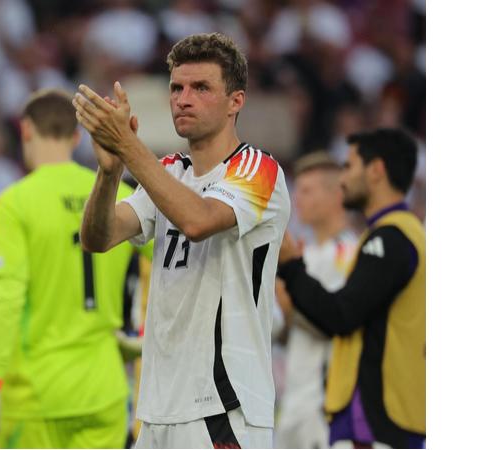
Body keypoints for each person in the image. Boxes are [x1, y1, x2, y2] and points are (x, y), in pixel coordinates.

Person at [74, 32, 291, 449]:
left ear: (236, 101)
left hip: (223, 406)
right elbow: (98, 237)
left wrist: (128, 145)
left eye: (201, 88)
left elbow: (198, 220)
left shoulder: (257, 169)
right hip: (159, 407)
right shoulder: (171, 170)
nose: (183, 99)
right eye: (177, 88)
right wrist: (110, 171)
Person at [0, 89, 140, 449]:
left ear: (26, 130)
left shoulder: (14, 203)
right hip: (104, 389)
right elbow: (169, 264)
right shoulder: (121, 195)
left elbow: (6, 295)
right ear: (76, 137)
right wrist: (146, 336)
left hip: (35, 395)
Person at [276, 128, 425, 448]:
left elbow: (341, 315)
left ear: (376, 170)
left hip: (376, 419)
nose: (343, 179)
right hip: (365, 415)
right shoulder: (392, 236)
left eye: (349, 166)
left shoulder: (390, 239)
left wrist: (291, 270)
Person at [274, 153, 358, 449]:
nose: (297, 199)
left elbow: (336, 319)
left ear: (336, 195)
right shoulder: (304, 255)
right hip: (294, 396)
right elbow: (283, 331)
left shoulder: (350, 253)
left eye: (307, 191)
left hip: (326, 404)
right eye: (297, 190)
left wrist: (290, 301)